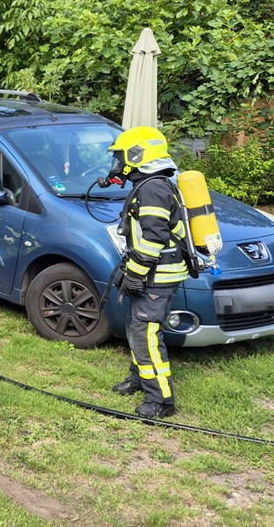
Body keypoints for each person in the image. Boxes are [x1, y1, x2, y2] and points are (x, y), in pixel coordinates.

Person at [104, 126, 189, 419]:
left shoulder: (152, 189)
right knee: (135, 328)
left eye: (120, 157)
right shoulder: (152, 185)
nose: (117, 164)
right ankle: (139, 379)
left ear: (137, 155)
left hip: (157, 276)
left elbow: (154, 238)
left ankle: (161, 399)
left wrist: (135, 274)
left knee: (146, 334)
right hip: (153, 274)